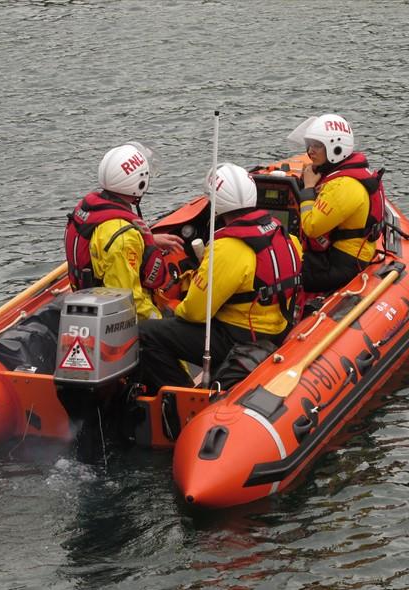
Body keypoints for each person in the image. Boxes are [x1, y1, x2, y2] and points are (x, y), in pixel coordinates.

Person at [138, 163, 303, 392]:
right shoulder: (285, 236)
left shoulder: (226, 249)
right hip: (277, 329)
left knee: (145, 334)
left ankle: (180, 394)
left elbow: (195, 312)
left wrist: (172, 310)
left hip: (238, 337)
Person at [63, 142, 183, 321]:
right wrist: (161, 321)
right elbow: (128, 301)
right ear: (139, 182)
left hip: (90, 297)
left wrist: (148, 240)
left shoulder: (93, 209)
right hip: (116, 319)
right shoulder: (124, 239)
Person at [288, 113, 386, 293]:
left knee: (282, 269)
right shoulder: (346, 173)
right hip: (340, 255)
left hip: (343, 263)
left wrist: (309, 188)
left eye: (317, 146)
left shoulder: (344, 185)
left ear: (336, 147)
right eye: (310, 145)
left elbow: (311, 227)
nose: (310, 151)